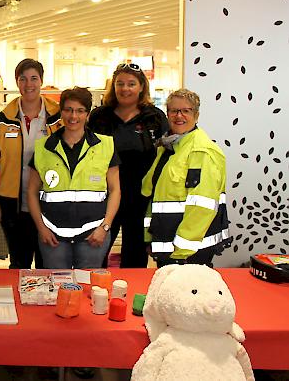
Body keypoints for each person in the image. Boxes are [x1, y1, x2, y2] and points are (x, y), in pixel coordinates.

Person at [27, 87, 121, 269]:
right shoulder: (44, 147)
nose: (73, 116)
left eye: (80, 111)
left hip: (93, 235)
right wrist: (41, 228)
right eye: (68, 110)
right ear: (61, 111)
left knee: (87, 288)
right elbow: (31, 192)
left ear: (87, 114)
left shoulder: (105, 145)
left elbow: (115, 190)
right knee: (56, 288)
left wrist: (105, 227)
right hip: (52, 236)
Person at [88, 63, 168, 267]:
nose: (125, 89)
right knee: (96, 252)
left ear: (142, 86)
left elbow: (165, 156)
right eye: (120, 83)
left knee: (135, 255)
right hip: (104, 196)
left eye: (131, 84)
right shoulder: (100, 117)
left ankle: (131, 294)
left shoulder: (155, 118)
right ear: (113, 86)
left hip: (140, 198)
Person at [0, 58, 62, 269]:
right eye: (23, 79)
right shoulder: (3, 119)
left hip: (50, 203)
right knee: (19, 264)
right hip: (13, 205)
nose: (29, 84)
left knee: (48, 264)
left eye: (34, 78)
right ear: (17, 82)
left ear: (42, 81)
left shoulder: (58, 116)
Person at [142, 88, 230, 267]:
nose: (178, 116)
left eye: (185, 111)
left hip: (189, 251)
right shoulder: (169, 146)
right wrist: (150, 239)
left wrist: (182, 251)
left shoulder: (201, 150)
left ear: (196, 115)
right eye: (173, 111)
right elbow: (154, 197)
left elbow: (202, 207)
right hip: (168, 244)